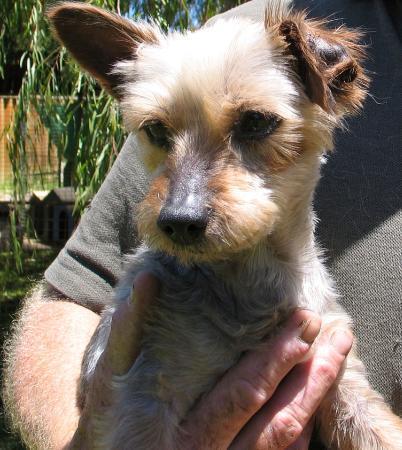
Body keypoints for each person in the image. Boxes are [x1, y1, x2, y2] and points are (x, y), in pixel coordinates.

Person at [3, 0, 401, 448]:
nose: (182, 207)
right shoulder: (161, 311)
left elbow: (358, 423)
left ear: (329, 95)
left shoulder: (315, 300)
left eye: (253, 124)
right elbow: (72, 298)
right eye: (159, 132)